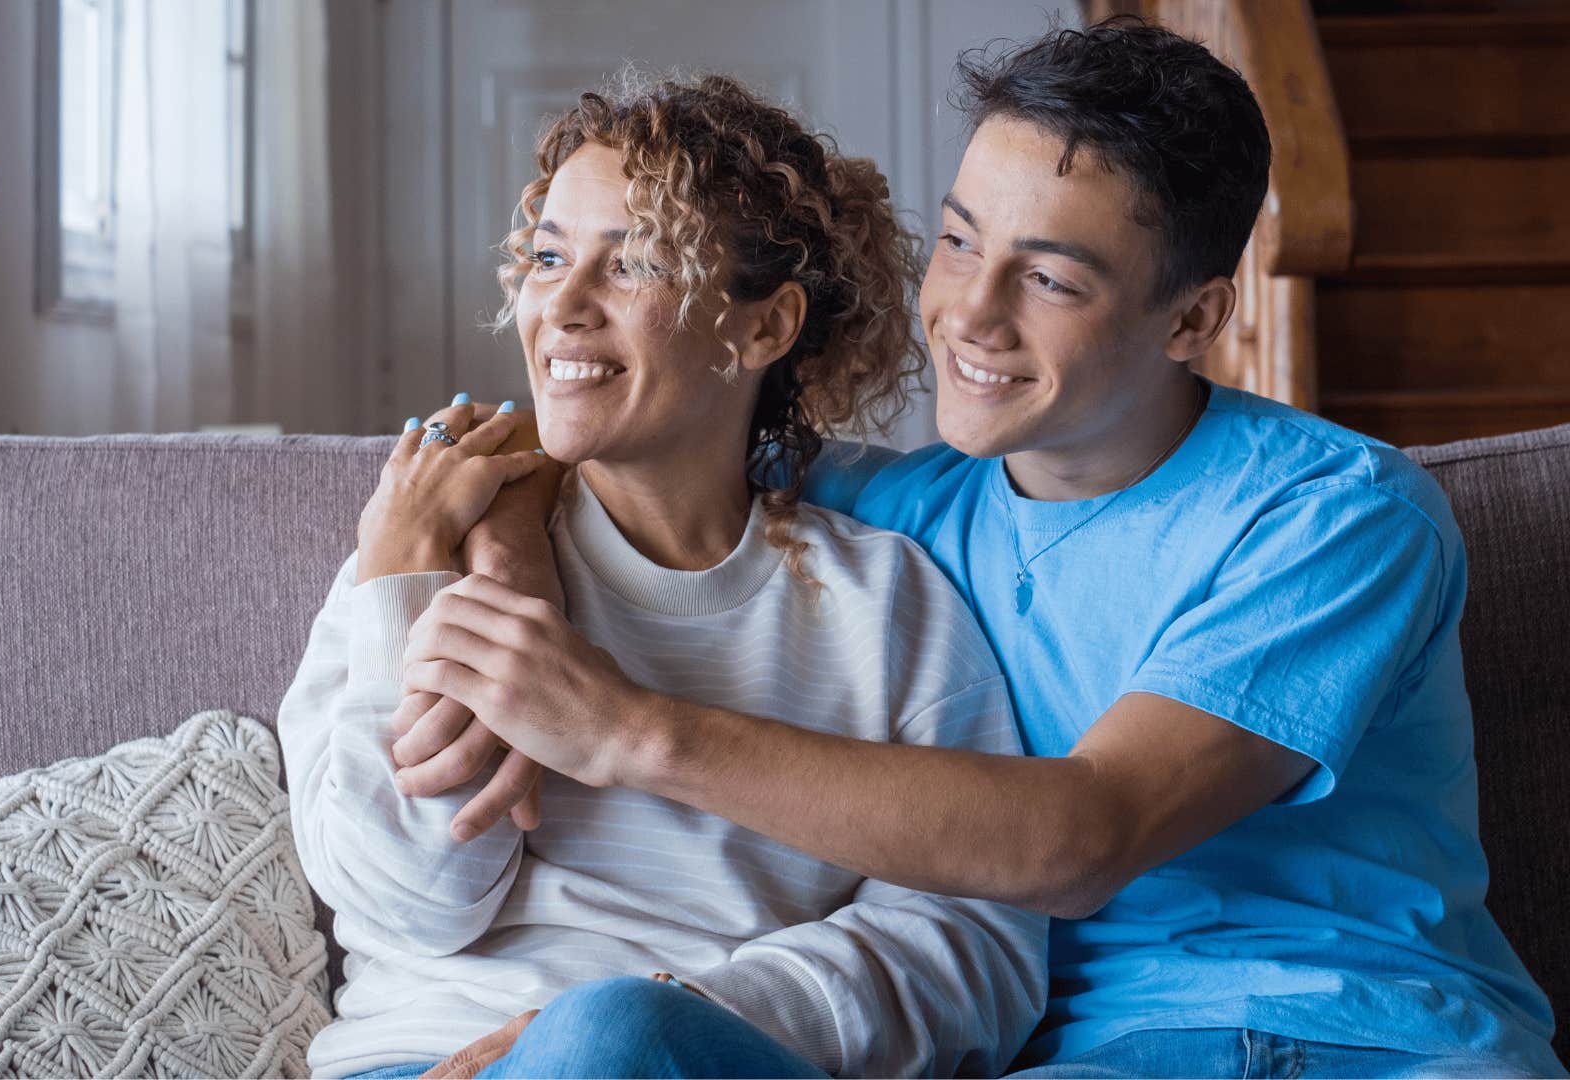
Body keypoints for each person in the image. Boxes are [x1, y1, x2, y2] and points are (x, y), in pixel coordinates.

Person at [396, 19, 1566, 1079]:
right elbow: (614, 439)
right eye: (960, 243)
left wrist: (622, 730)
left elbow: (1086, 836)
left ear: (1196, 319)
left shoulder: (1337, 517)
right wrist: (504, 559)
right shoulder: (898, 515)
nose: (972, 313)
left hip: (1363, 1038)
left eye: (1050, 278)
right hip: (1085, 1058)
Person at [278, 74, 1046, 1079]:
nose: (561, 305)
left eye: (632, 263)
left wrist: (682, 1012)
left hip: (710, 1054)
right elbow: (413, 902)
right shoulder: (429, 547)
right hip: (422, 1061)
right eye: (548, 257)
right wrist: (408, 581)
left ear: (766, 328)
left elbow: (976, 948)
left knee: (613, 1039)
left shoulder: (886, 603)